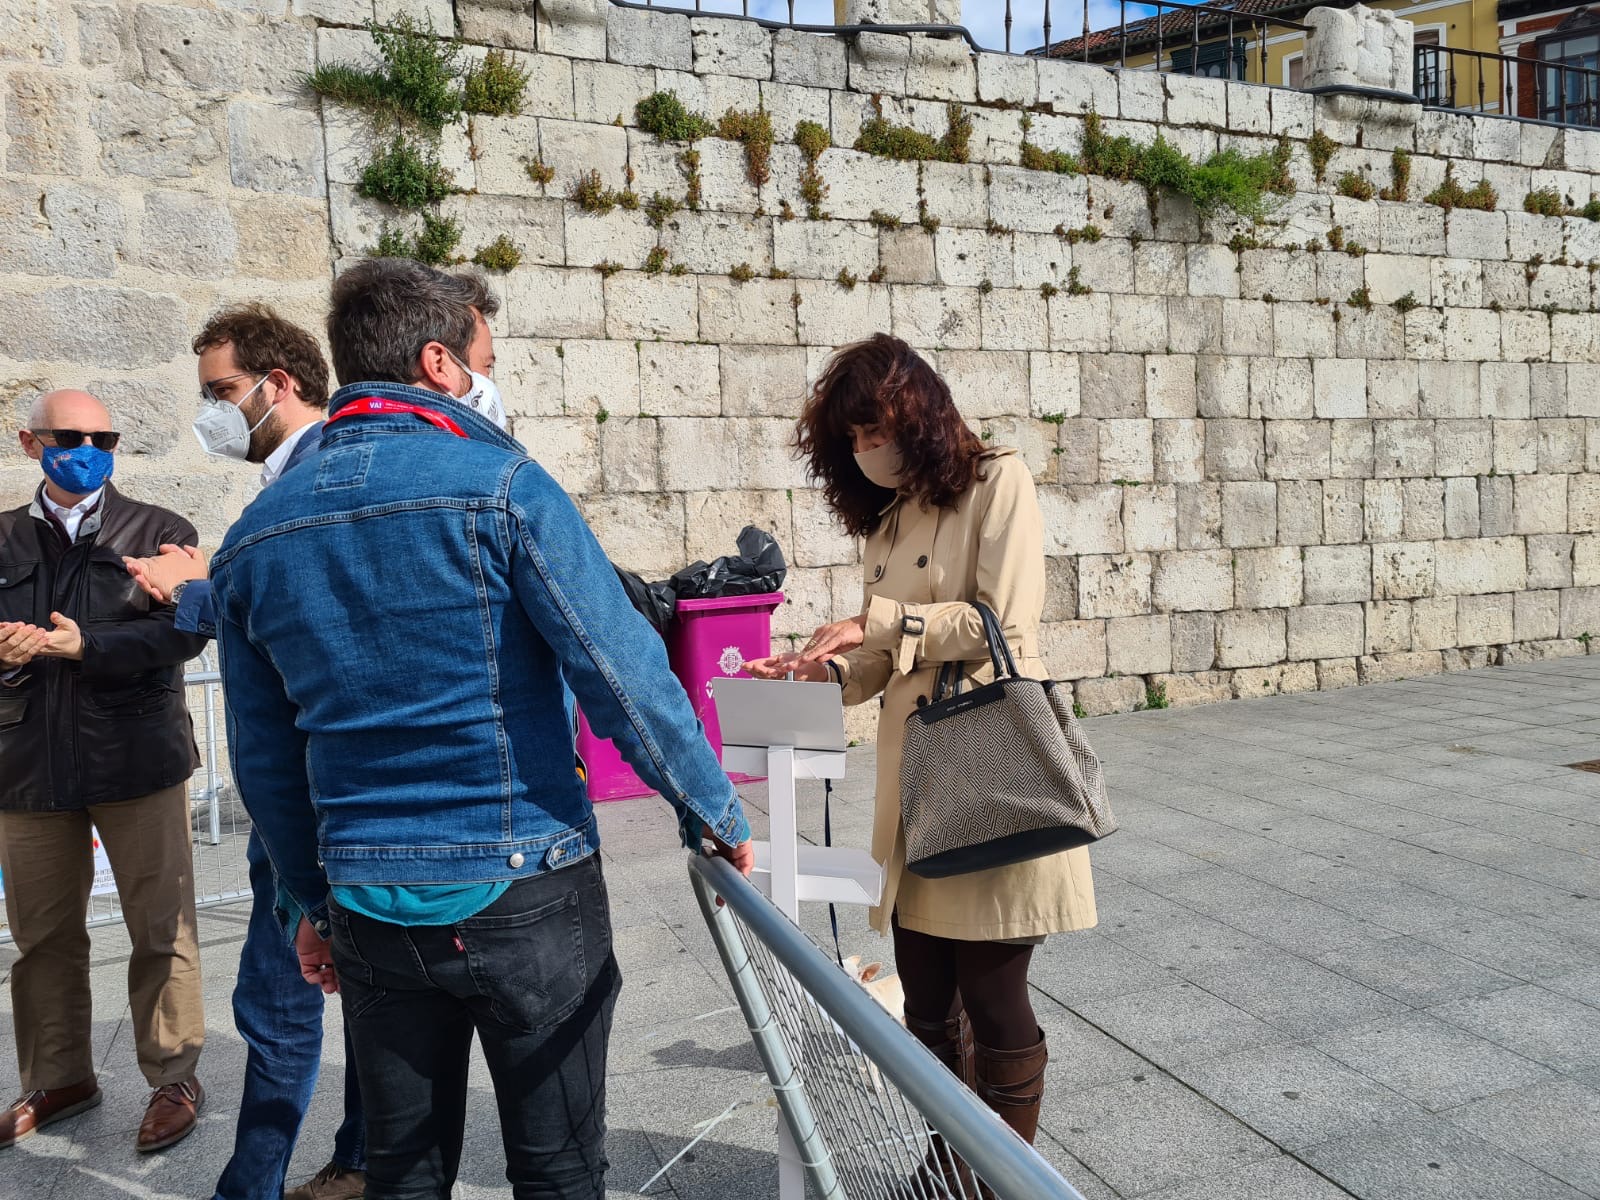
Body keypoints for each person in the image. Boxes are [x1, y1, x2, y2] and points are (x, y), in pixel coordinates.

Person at [207, 257, 754, 1200]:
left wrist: (310, 905)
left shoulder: (253, 536)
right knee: (557, 1167)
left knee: (405, 1171)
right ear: (439, 363)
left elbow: (266, 759)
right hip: (526, 886)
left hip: (368, 901)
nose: (487, 381)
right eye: (484, 361)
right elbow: (620, 670)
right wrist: (713, 810)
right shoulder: (505, 486)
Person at [744, 334, 1097, 1171]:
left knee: (994, 999)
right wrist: (822, 669)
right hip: (915, 790)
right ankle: (949, 1162)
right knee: (927, 1007)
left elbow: (1000, 624)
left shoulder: (998, 482)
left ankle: (992, 1179)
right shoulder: (889, 520)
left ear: (922, 412)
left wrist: (877, 622)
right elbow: (880, 662)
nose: (869, 449)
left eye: (878, 428)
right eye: (854, 438)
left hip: (989, 773)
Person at [123, 305, 370, 1200]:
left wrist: (192, 593)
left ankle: (259, 1185)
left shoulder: (320, 476)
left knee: (277, 1004)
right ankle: (354, 1163)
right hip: (311, 792)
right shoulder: (299, 474)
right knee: (343, 1001)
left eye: (220, 392)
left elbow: (311, 627)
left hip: (309, 796)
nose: (211, 414)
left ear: (279, 383)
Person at [0, 389, 210, 1152]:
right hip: (26, 766)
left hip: (137, 758)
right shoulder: (1, 538)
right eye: (69, 436)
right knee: (43, 937)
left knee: (162, 927)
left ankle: (174, 1076)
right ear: (31, 443)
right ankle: (59, 1078)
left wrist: (87, 646)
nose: (87, 450)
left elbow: (184, 633)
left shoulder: (161, 530)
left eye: (103, 438)